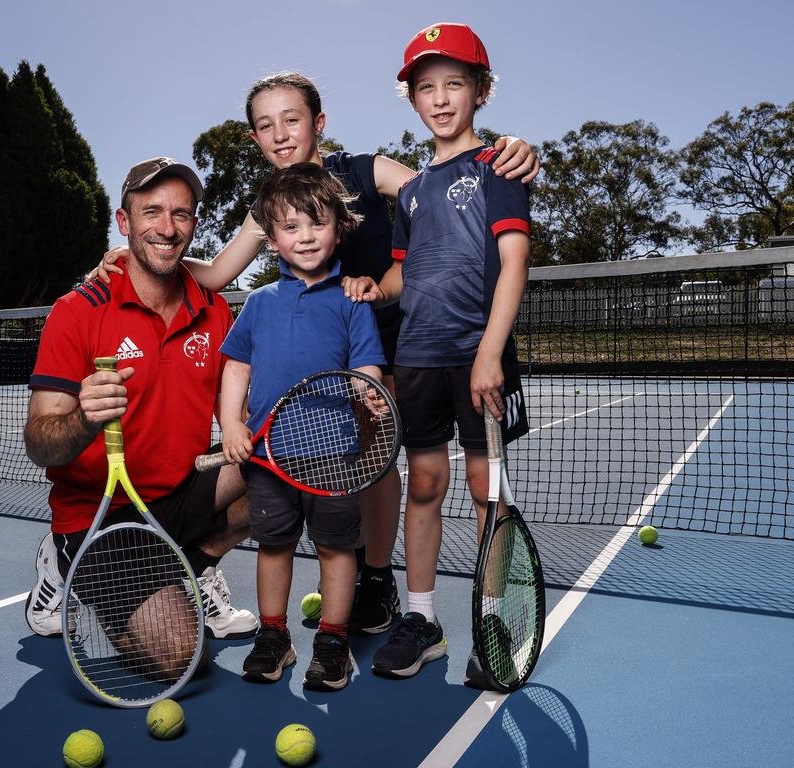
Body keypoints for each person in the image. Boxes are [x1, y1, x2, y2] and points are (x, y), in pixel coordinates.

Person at [92, 71, 540, 638]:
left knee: (381, 464)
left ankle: (378, 579)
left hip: (397, 344)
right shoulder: (268, 209)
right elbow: (217, 274)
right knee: (346, 470)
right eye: (265, 125)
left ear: (318, 124)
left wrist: (511, 155)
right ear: (254, 137)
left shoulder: (367, 170)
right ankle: (354, 582)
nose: (280, 134)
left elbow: (447, 190)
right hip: (320, 361)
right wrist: (138, 252)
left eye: (292, 119)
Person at [343, 23, 531, 687]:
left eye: (455, 83)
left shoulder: (500, 168)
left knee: (488, 490)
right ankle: (420, 619)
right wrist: (372, 287)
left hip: (478, 359)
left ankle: (493, 615)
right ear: (412, 99)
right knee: (424, 484)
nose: (441, 97)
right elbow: (404, 273)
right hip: (417, 358)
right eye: (427, 87)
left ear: (480, 91)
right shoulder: (413, 190)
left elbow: (514, 263)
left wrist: (489, 353)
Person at [23, 157, 258, 643]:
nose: (167, 229)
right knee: (177, 653)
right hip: (99, 519)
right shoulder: (77, 312)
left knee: (277, 475)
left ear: (194, 224)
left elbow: (239, 414)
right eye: (151, 212)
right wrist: (84, 421)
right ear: (124, 222)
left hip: (177, 496)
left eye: (181, 214)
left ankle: (194, 573)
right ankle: (63, 564)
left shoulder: (213, 309)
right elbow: (41, 445)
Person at [218, 162, 386, 691]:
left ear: (339, 226)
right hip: (268, 456)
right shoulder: (260, 303)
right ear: (271, 240)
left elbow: (366, 365)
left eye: (317, 223)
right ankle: (274, 637)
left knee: (338, 549)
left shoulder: (353, 300)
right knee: (274, 546)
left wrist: (368, 391)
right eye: (291, 227)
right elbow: (236, 368)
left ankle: (333, 640)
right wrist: (230, 423)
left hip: (334, 453)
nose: (307, 236)